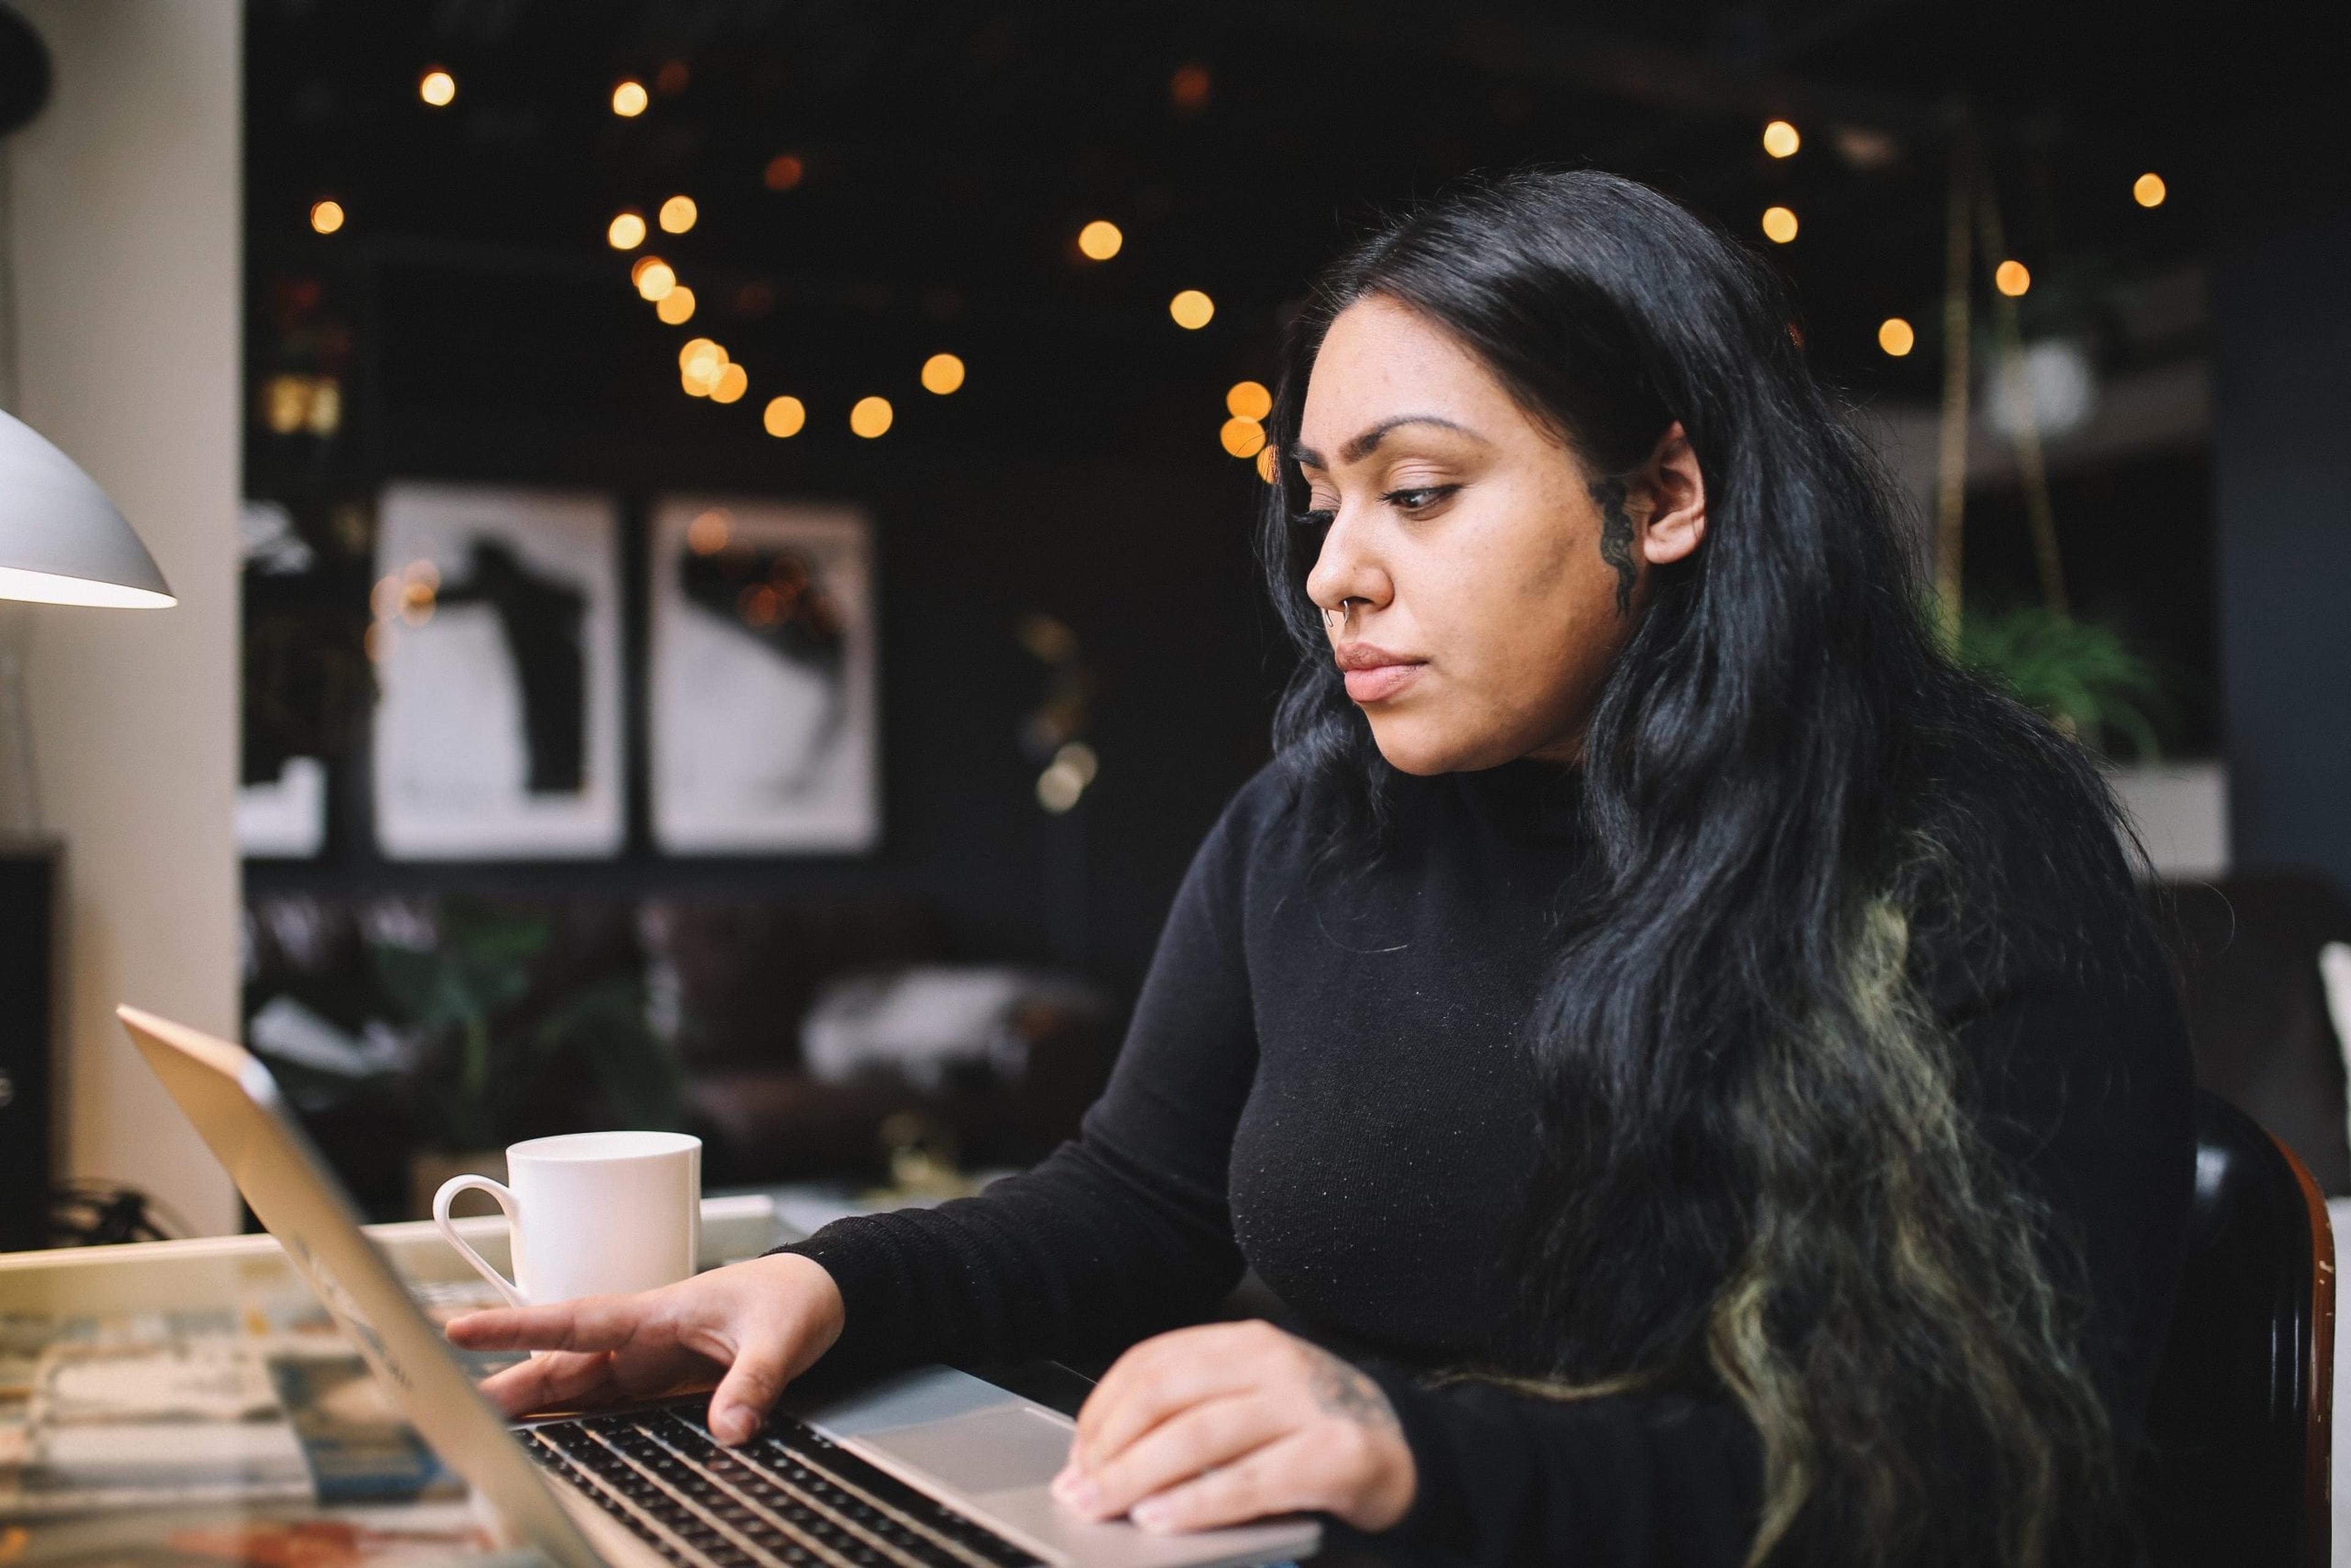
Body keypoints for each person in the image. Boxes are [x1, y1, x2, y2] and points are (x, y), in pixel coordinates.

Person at [450, 169, 2194, 1568]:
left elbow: (1959, 1476)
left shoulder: (1958, 849)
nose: (1334, 569)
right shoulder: (1310, 824)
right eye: (1319, 499)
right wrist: (831, 1284)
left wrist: (1401, 1451)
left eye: (1418, 491)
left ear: (1664, 492)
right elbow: (1135, 1202)